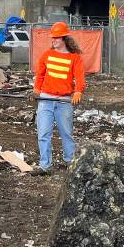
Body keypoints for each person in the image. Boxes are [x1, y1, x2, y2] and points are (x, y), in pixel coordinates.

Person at [32, 21, 85, 175]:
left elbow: (80, 77)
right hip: (46, 99)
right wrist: (36, 91)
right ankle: (45, 166)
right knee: (43, 134)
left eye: (56, 38)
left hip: (64, 101)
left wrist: (78, 91)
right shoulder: (47, 55)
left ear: (64, 39)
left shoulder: (75, 58)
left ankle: (70, 162)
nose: (53, 40)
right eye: (52, 38)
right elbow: (40, 75)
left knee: (66, 133)